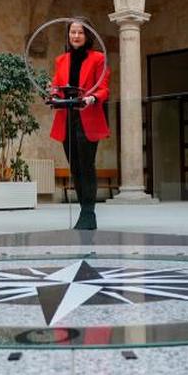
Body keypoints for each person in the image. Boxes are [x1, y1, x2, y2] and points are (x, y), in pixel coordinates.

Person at [49, 18, 110, 230]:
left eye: (80, 32)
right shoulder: (61, 60)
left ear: (87, 35)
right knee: (75, 167)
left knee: (87, 165)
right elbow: (57, 85)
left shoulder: (98, 58)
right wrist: (54, 94)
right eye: (73, 32)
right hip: (67, 118)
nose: (75, 36)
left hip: (88, 116)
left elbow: (103, 88)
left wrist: (92, 98)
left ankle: (88, 212)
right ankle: (83, 209)